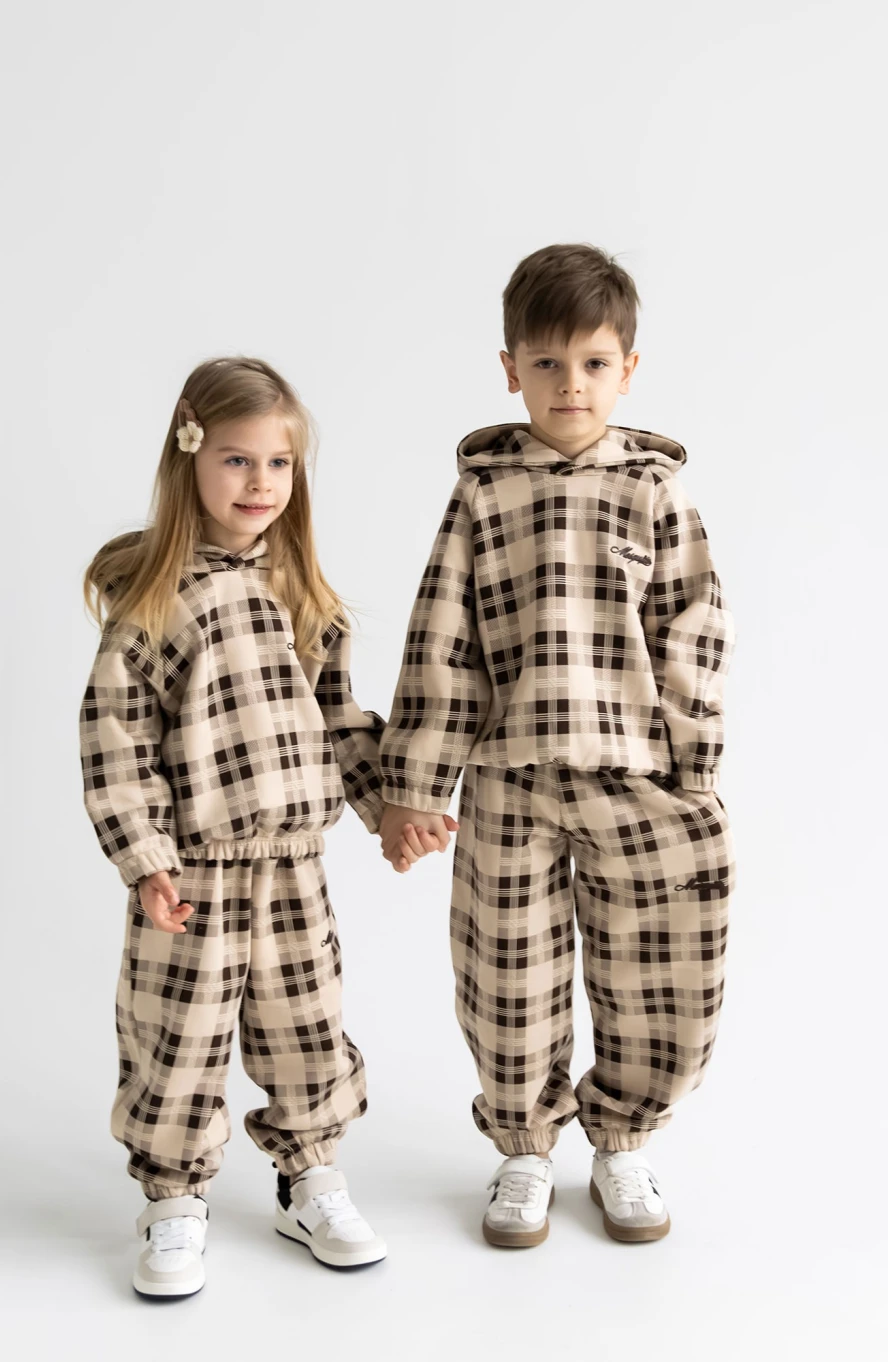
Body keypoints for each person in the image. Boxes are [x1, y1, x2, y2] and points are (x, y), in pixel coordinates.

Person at [378, 244, 736, 1247]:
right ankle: (526, 1147)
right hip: (510, 778)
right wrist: (415, 783)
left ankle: (622, 1141)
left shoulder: (655, 491)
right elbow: (442, 640)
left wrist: (694, 764)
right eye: (546, 363)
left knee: (662, 965)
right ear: (510, 370)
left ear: (628, 369)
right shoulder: (483, 495)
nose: (569, 384)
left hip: (639, 775)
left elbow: (695, 629)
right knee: (506, 971)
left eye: (592, 363)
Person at [80, 356, 411, 1296]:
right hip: (192, 870)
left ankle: (309, 1178)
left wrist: (388, 808)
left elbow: (340, 722)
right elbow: (115, 739)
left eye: (279, 463)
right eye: (236, 460)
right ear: (187, 458)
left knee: (306, 1024)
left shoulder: (304, 594)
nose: (260, 482)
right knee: (177, 1036)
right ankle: (173, 1198)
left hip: (294, 863)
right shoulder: (155, 601)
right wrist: (145, 857)